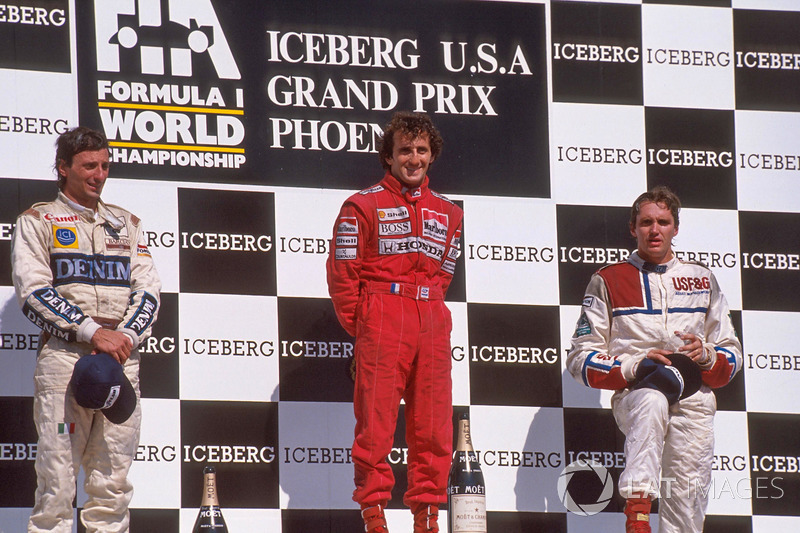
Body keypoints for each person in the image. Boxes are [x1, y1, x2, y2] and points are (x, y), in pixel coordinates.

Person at [566, 186, 742, 533]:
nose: (654, 230)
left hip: (694, 404)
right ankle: (638, 517)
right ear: (633, 228)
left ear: (676, 227)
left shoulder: (703, 279)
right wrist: (633, 365)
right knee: (651, 399)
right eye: (646, 222)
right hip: (637, 392)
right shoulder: (608, 279)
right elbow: (579, 358)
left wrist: (706, 356)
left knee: (686, 512)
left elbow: (732, 354)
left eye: (663, 222)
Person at [11, 126, 161, 532]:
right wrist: (93, 331)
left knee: (111, 486)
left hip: (119, 360)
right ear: (64, 168)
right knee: (57, 488)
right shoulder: (38, 220)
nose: (99, 174)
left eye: (105, 166)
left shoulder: (126, 224)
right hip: (65, 358)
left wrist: (124, 336)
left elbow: (148, 290)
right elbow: (33, 293)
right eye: (89, 166)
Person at [326, 111, 463, 533]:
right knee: (376, 425)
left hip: (432, 319)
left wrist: (428, 311)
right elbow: (343, 274)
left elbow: (445, 273)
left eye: (421, 150)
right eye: (405, 150)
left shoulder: (450, 212)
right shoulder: (361, 205)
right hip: (384, 315)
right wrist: (365, 327)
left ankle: (427, 516)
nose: (414, 158)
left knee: (435, 426)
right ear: (389, 156)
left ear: (432, 156)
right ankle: (374, 514)